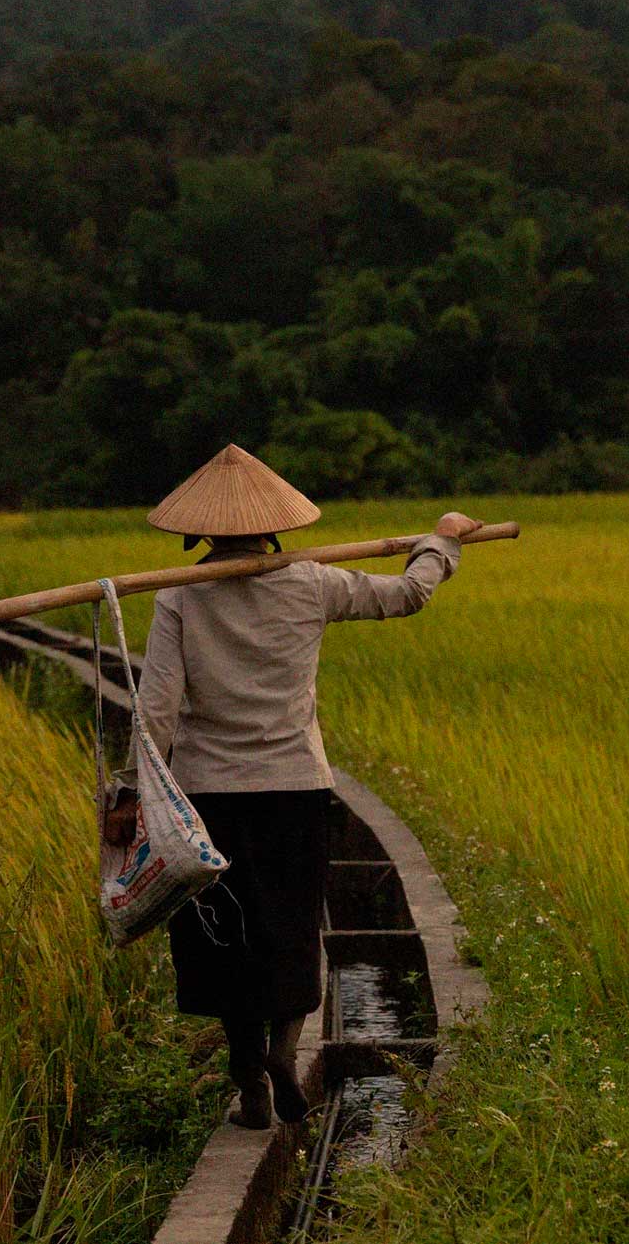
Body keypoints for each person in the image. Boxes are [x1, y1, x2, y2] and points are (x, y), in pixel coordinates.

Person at [104, 444, 480, 1129]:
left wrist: (134, 790)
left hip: (205, 799)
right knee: (291, 926)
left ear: (202, 531)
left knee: (224, 938)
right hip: (293, 790)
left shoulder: (179, 594)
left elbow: (156, 705)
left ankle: (247, 1069)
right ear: (276, 524)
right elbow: (408, 595)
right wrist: (444, 541)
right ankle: (284, 1048)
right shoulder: (313, 582)